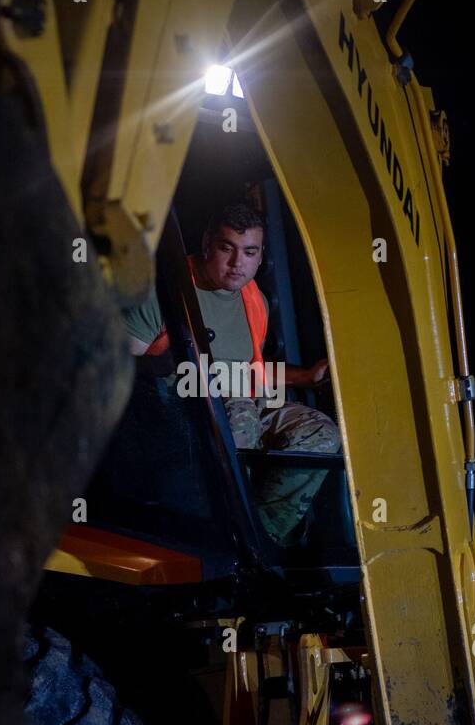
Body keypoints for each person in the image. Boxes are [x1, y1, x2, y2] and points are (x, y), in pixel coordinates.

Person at [122, 201, 341, 548]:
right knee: (239, 413)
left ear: (260, 255)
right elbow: (118, 367)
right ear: (208, 243)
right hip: (183, 414)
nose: (239, 263)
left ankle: (263, 538)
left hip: (244, 405)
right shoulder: (165, 289)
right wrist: (164, 365)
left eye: (250, 252)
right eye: (228, 248)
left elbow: (251, 373)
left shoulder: (255, 301)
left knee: (321, 434)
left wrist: (307, 377)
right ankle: (226, 535)